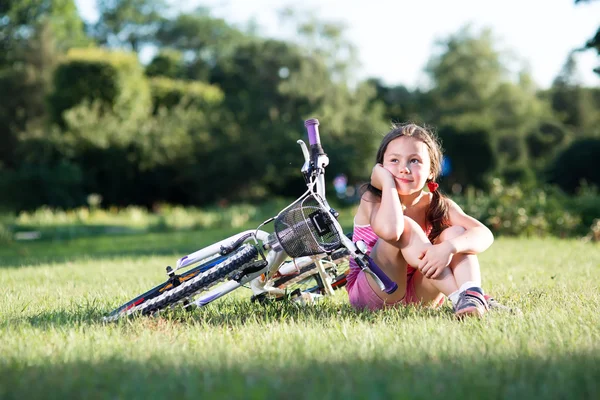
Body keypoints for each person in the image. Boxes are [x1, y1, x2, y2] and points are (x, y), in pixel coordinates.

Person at [346, 123, 504, 318]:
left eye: (414, 161)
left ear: (431, 171)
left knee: (456, 234)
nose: (404, 169)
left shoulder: (437, 204)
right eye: (394, 160)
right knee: (406, 226)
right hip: (373, 291)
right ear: (381, 168)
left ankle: (471, 296)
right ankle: (460, 298)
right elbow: (391, 231)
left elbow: (484, 234)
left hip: (420, 295)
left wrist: (449, 248)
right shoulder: (372, 199)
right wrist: (387, 183)